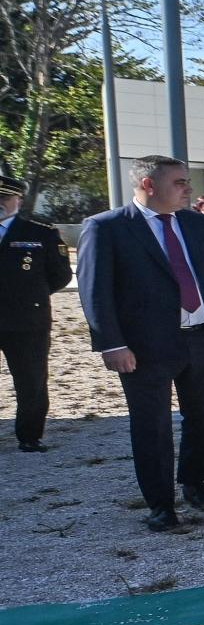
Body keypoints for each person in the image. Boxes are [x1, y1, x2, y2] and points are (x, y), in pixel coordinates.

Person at [78, 155, 204, 531]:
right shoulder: (107, 228)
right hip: (145, 348)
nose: (188, 189)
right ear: (148, 184)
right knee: (151, 425)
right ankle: (160, 503)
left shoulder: (200, 225)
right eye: (180, 182)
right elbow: (95, 291)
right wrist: (111, 344)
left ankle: (195, 483)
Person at [0, 172, 74, 452]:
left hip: (27, 320)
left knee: (31, 380)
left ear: (18, 200)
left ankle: (29, 436)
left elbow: (60, 275)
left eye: (4, 198)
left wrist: (31, 295)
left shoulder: (40, 233)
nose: (0, 203)